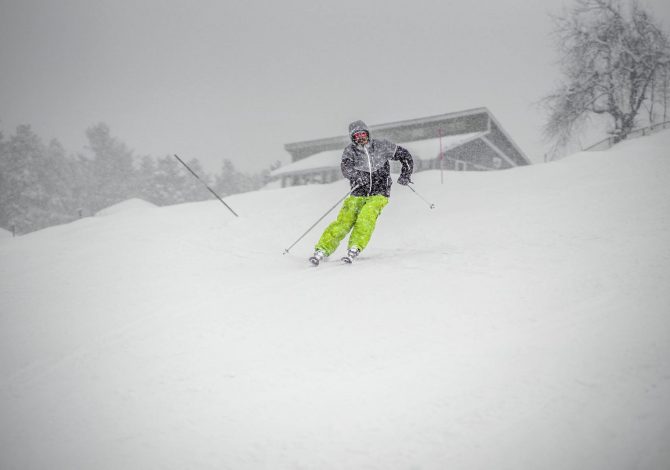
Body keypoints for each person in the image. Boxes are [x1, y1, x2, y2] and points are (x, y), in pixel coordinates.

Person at [309, 120, 414, 265]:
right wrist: (357, 176)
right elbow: (346, 168)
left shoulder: (381, 146)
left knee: (366, 216)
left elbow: (405, 155)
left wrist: (405, 174)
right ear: (353, 138)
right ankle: (322, 249)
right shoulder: (350, 151)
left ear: (368, 134)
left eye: (363, 134)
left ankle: (355, 246)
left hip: (379, 191)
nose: (361, 138)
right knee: (344, 221)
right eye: (357, 136)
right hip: (358, 192)